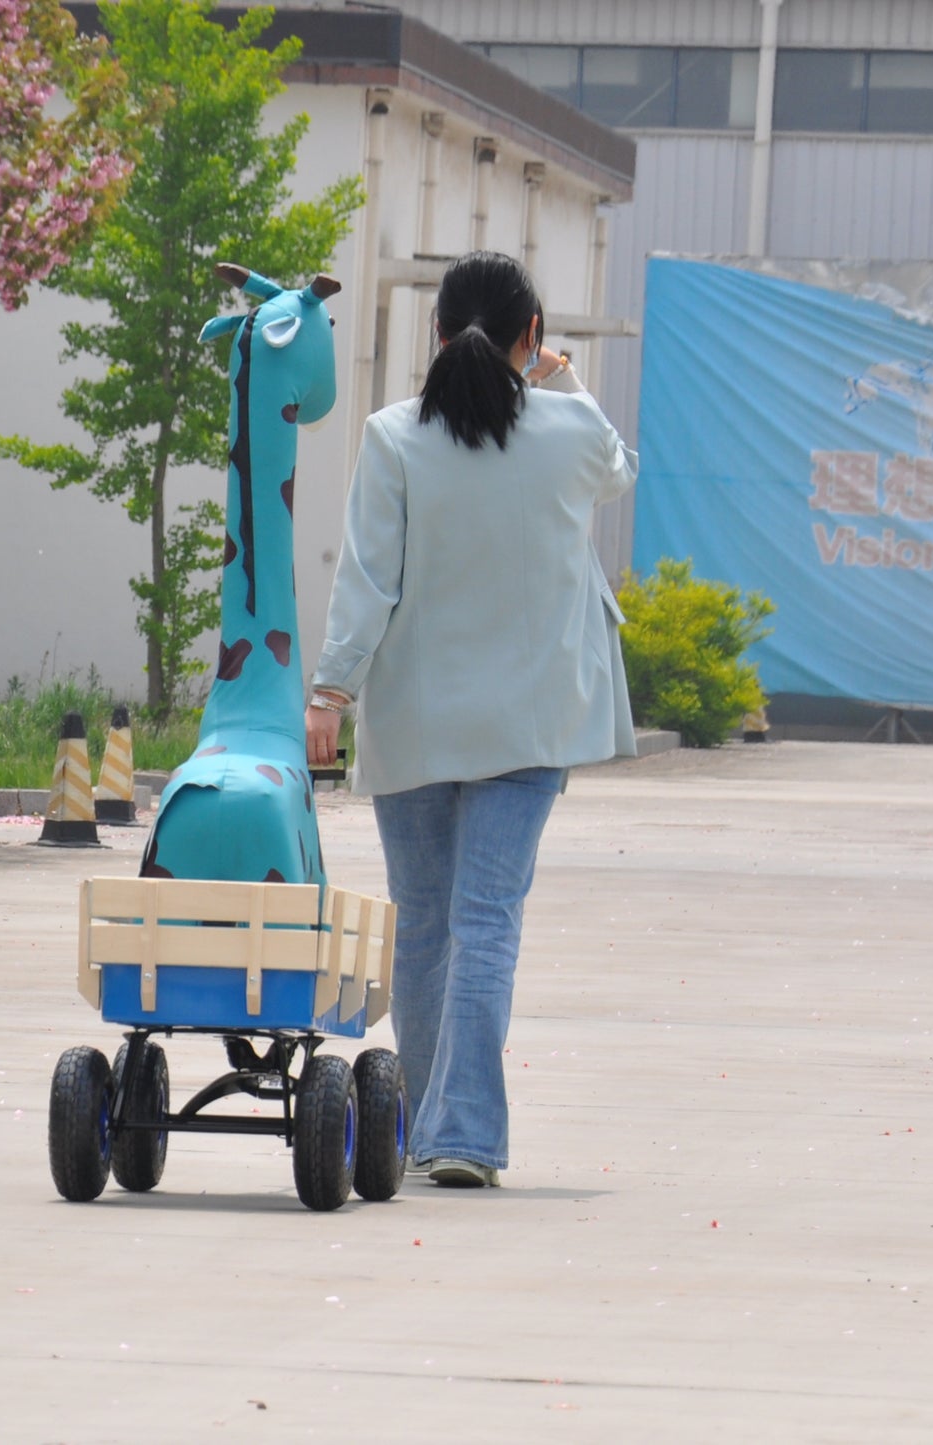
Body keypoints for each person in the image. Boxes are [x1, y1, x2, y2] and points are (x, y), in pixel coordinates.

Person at [304, 251, 637, 1188]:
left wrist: (330, 693)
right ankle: (462, 1137)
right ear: (530, 339)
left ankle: (415, 1128)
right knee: (486, 918)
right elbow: (618, 471)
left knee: (422, 924)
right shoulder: (569, 428)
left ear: (436, 334)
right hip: (528, 727)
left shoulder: (392, 436)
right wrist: (562, 379)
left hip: (413, 720)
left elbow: (367, 580)